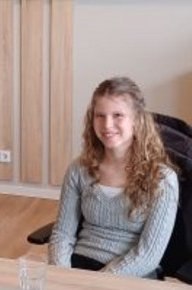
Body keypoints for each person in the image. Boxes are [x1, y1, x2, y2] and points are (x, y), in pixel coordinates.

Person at [49, 77, 178, 277]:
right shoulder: (79, 170)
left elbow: (148, 255)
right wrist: (63, 276)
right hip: (79, 267)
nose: (107, 125)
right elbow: (62, 235)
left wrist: (99, 282)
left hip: (132, 274)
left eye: (118, 115)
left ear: (137, 120)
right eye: (100, 116)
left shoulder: (161, 179)